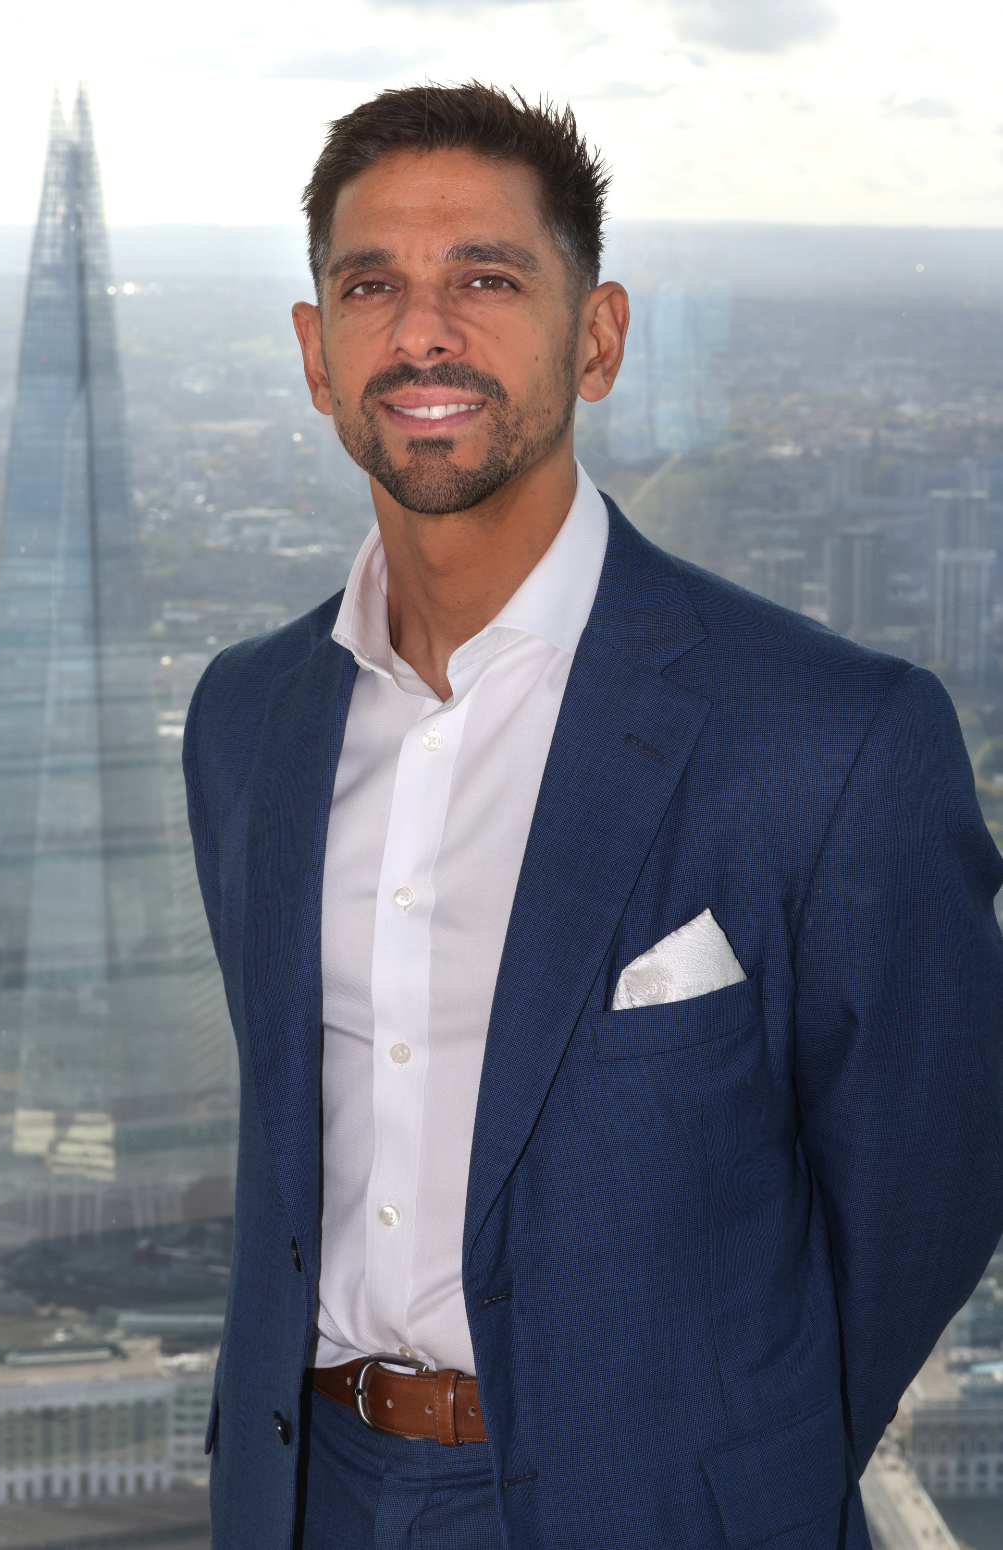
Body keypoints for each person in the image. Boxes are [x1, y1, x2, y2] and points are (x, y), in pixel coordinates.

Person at [183, 83, 1003, 1550]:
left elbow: (929, 1188)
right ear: (314, 354)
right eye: (371, 286)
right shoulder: (248, 721)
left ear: (599, 338)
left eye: (486, 279)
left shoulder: (833, 737)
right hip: (309, 1497)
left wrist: (732, 1474)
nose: (422, 333)